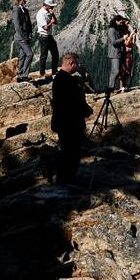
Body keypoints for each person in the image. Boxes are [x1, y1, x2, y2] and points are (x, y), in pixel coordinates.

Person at [51, 52, 93, 184]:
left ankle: (65, 178)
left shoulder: (59, 78)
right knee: (71, 153)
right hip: (70, 124)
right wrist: (86, 110)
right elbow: (74, 102)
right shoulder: (67, 80)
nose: (78, 66)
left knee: (66, 152)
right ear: (71, 63)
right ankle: (68, 179)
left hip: (63, 123)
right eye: (77, 63)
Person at [12, 0, 34, 82]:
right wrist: (24, 36)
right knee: (30, 54)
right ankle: (24, 75)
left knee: (23, 55)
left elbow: (28, 23)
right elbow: (17, 25)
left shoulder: (25, 9)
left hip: (25, 36)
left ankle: (20, 75)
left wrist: (30, 33)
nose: (25, 0)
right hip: (20, 37)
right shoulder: (16, 9)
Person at [36, 0, 59, 78]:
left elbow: (56, 22)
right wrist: (51, 22)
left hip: (49, 36)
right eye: (51, 6)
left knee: (55, 53)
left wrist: (53, 15)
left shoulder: (49, 12)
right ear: (47, 5)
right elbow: (45, 27)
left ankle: (54, 72)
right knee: (44, 55)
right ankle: (42, 73)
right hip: (44, 36)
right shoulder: (40, 14)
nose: (53, 7)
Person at [106, 15, 127, 92]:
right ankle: (110, 87)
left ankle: (111, 87)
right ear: (116, 21)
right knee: (116, 71)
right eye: (120, 22)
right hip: (114, 53)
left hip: (119, 53)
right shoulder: (111, 30)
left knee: (115, 71)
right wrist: (123, 39)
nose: (121, 23)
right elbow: (114, 42)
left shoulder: (116, 29)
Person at [120, 18, 137, 90]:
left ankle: (126, 86)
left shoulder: (128, 32)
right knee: (124, 70)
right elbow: (126, 43)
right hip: (125, 53)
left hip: (130, 53)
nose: (129, 25)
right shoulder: (123, 33)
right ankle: (122, 86)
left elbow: (132, 43)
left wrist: (134, 35)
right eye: (127, 23)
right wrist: (131, 35)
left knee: (129, 70)